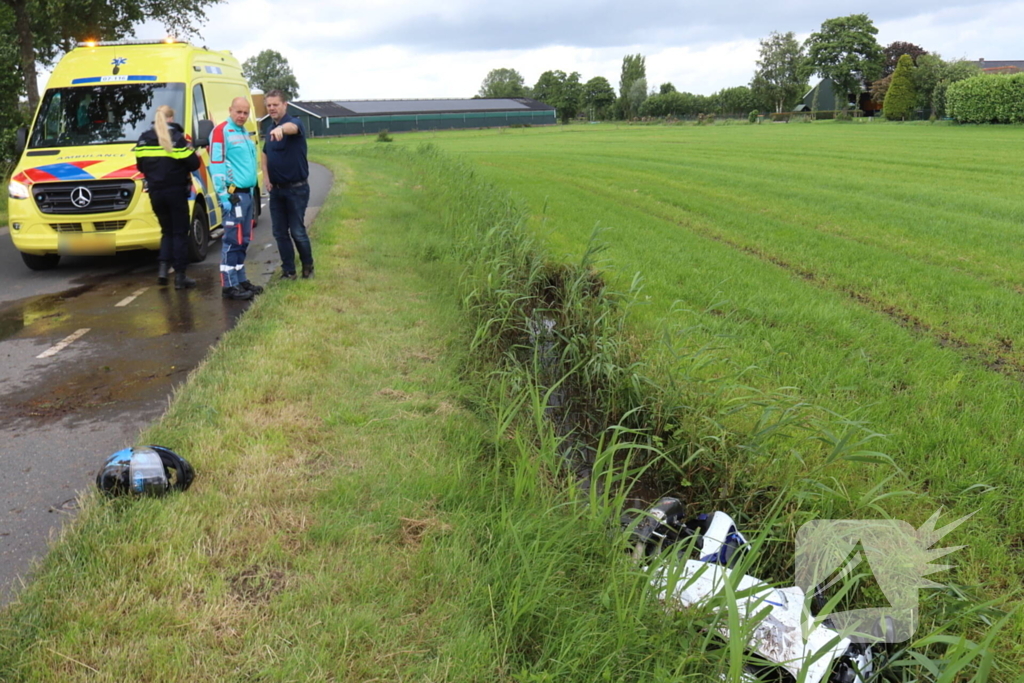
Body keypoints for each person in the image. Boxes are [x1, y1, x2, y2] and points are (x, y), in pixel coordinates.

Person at [135, 105, 200, 289]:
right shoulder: (178, 139)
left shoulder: (143, 140)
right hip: (176, 192)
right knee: (179, 233)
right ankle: (180, 276)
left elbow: (140, 166)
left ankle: (163, 271)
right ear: (171, 118)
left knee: (166, 231)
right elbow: (193, 163)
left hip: (155, 193)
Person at [211, 97, 262, 300]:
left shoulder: (243, 132)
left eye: (245, 112)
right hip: (233, 195)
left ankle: (240, 279)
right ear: (230, 110)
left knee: (244, 239)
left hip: (247, 194)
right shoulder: (221, 131)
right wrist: (223, 194)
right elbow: (216, 163)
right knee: (233, 240)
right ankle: (229, 285)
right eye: (238, 112)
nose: (242, 116)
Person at [261, 89, 314, 280]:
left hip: (296, 189)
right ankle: (288, 270)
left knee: (297, 231)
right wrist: (266, 177)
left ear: (285, 105)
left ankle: (308, 268)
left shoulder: (294, 123)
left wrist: (282, 129)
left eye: (276, 104)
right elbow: (265, 153)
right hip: (276, 190)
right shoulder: (268, 128)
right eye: (269, 105)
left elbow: (292, 128)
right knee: (279, 233)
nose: (272, 108)